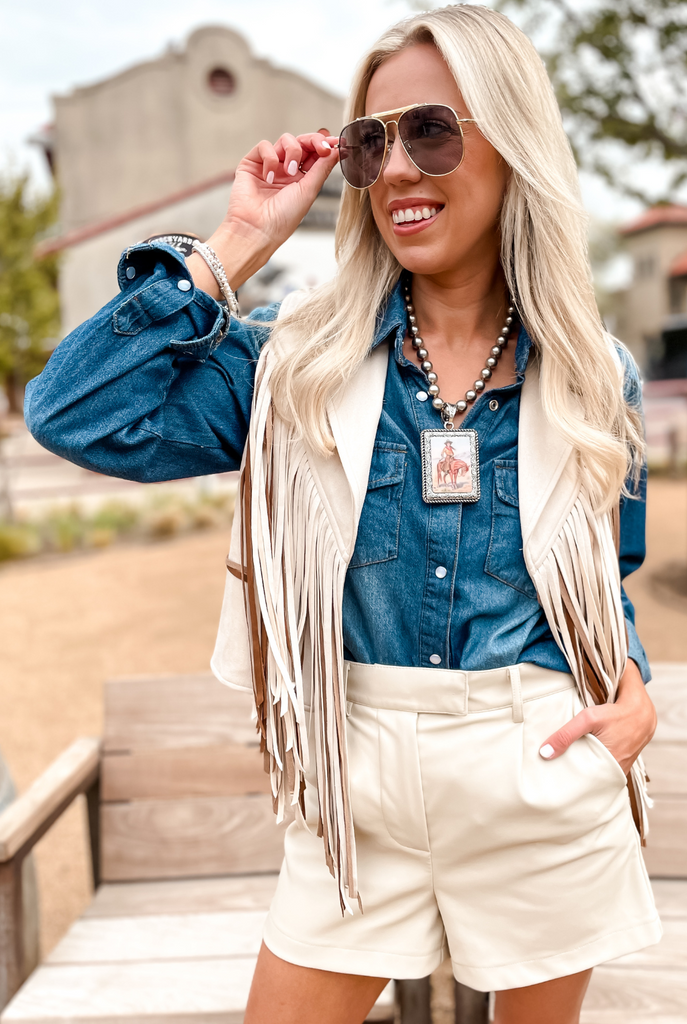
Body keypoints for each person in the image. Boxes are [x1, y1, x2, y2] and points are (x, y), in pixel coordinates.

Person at [25, 6, 661, 1023]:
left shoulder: (597, 372)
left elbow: (600, 570)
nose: (398, 167)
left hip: (540, 771)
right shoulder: (294, 363)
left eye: (433, 130)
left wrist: (630, 687)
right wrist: (238, 240)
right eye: (372, 141)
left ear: (513, 143)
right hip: (351, 776)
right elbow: (76, 408)